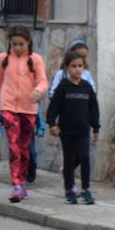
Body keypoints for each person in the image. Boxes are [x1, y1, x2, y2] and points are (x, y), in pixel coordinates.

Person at [0, 26, 48, 201]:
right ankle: (16, 183)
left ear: (28, 42)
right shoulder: (4, 59)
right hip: (8, 108)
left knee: (25, 147)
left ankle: (23, 179)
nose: (18, 48)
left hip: (28, 109)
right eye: (14, 44)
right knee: (13, 145)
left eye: (21, 44)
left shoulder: (35, 60)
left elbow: (43, 81)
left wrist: (38, 91)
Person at [46, 50, 101, 205]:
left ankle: (86, 190)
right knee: (69, 160)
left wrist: (96, 128)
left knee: (84, 157)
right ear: (66, 68)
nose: (77, 69)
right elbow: (53, 108)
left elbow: (93, 109)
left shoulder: (87, 87)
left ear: (84, 67)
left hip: (83, 130)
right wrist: (52, 124)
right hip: (67, 131)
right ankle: (69, 189)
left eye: (80, 66)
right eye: (73, 66)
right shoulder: (63, 87)